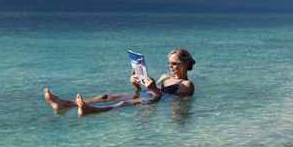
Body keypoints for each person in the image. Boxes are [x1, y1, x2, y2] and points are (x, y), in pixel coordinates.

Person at [45, 48, 196, 116]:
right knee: (105, 96)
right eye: (169, 63)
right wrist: (136, 83)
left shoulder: (187, 85)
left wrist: (153, 89)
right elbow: (146, 89)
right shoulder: (165, 76)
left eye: (174, 63)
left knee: (123, 104)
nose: (170, 66)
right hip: (148, 94)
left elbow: (166, 98)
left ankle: (90, 109)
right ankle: (64, 103)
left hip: (157, 100)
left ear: (184, 64)